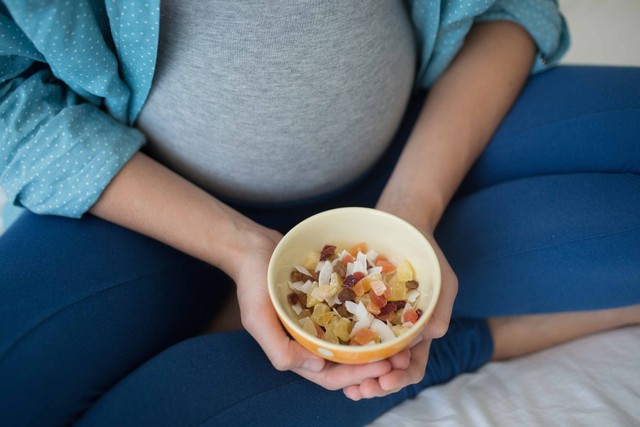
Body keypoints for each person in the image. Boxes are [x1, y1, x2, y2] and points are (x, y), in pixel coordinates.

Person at [1, 0, 639, 425]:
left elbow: (510, 7)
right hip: (145, 200)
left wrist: (413, 208)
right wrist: (238, 248)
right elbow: (12, 96)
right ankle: (476, 339)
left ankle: (440, 339)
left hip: (423, 146)